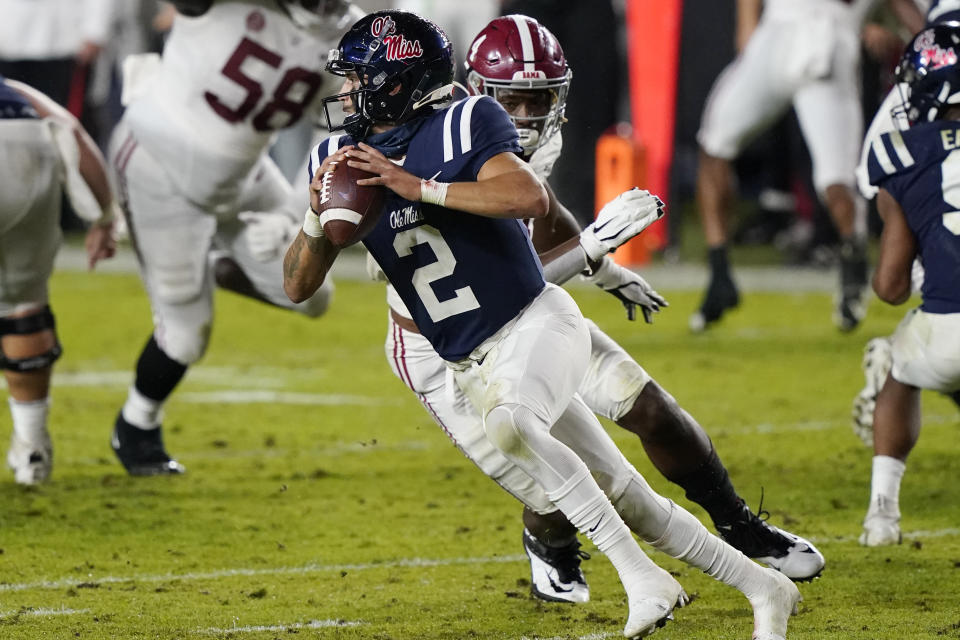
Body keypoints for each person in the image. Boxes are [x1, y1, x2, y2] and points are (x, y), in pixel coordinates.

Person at [285, 11, 801, 639]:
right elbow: (297, 284)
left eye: (358, 80)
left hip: (532, 321)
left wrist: (418, 187)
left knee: (514, 426)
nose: (344, 95)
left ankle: (645, 580)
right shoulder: (335, 156)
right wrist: (316, 219)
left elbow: (529, 200)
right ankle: (763, 587)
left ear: (394, 84)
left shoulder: (466, 119)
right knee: (622, 495)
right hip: (454, 357)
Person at [106, 0, 363, 476]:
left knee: (310, 293)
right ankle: (136, 426)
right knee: (185, 334)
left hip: (243, 177)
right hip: (156, 165)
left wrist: (292, 211)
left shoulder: (351, 35)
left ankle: (222, 269)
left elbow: (342, 132)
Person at [691, 0, 877, 333]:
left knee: (836, 185)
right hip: (781, 30)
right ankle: (719, 274)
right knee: (714, 144)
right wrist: (747, 26)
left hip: (825, 36)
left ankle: (854, 262)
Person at [857, 23, 960, 547]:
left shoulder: (901, 153)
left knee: (898, 369)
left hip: (947, 331)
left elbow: (891, 287)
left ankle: (882, 516)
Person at [1, 75, 118, 484]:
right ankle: (31, 450)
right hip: (24, 144)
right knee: (21, 300)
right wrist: (105, 215)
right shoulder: (16, 89)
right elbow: (71, 129)